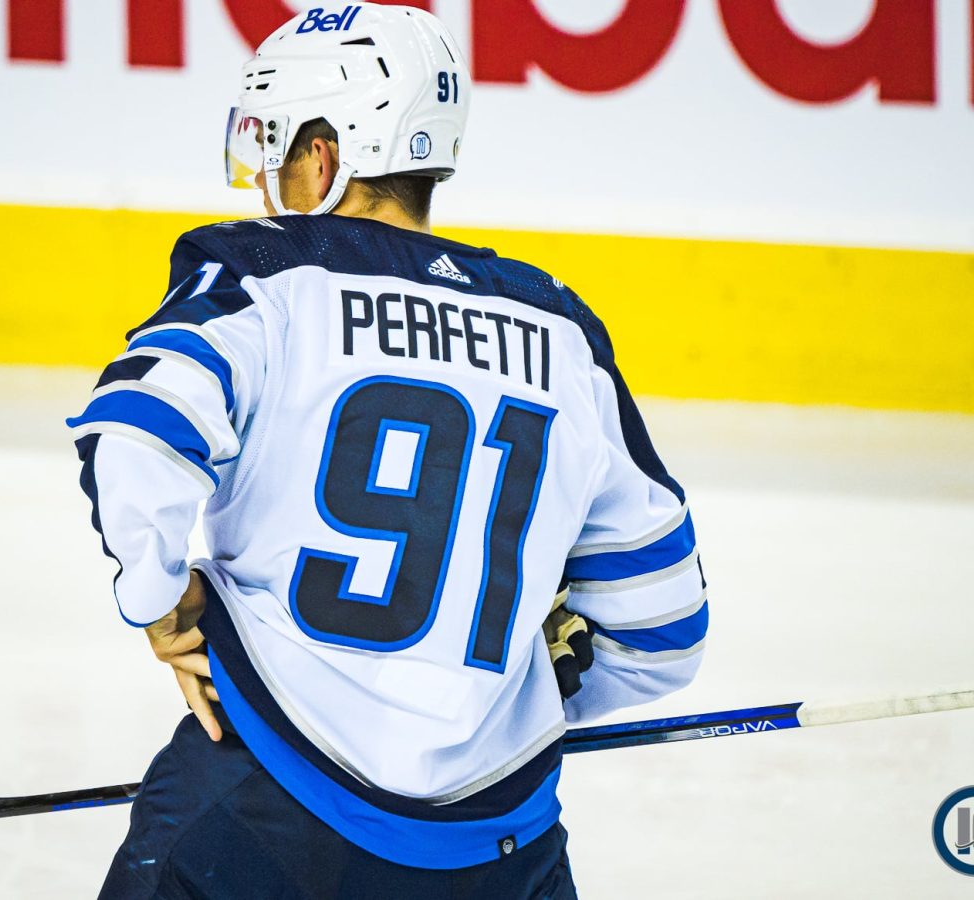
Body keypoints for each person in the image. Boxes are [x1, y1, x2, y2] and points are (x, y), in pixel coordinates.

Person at [68, 5, 708, 898]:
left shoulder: (266, 278)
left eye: (278, 148)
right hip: (500, 856)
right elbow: (663, 627)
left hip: (264, 816)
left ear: (324, 156)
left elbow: (138, 428)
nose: (268, 181)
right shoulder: (561, 332)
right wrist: (529, 683)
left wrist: (160, 598)